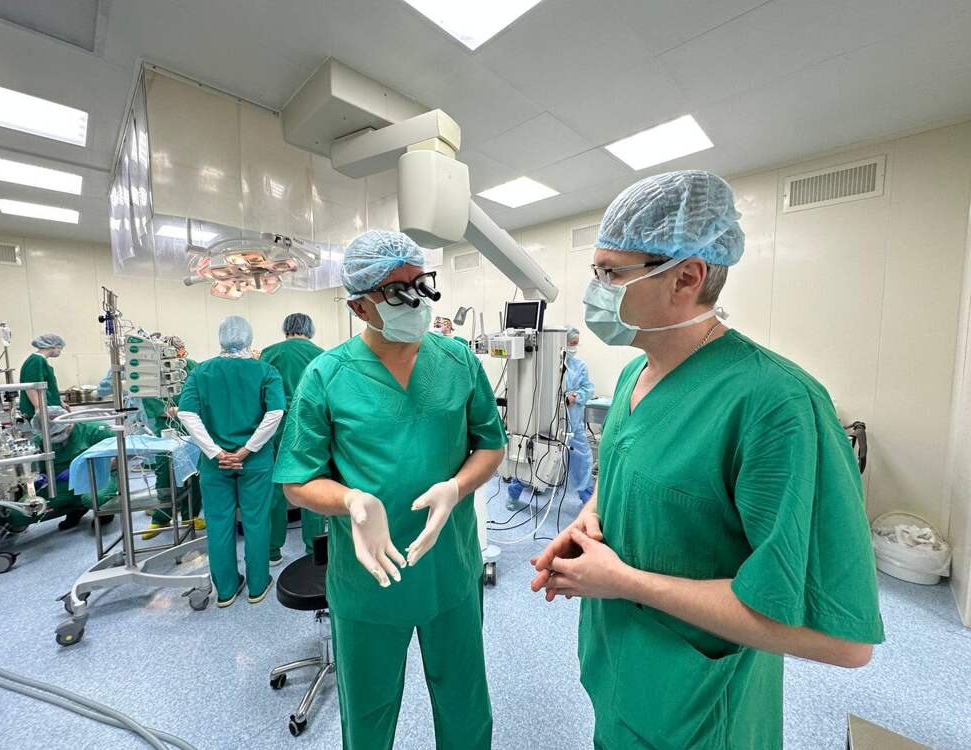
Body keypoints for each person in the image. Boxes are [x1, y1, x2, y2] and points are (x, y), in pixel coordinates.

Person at [531, 170, 884, 750]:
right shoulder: (634, 376)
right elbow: (629, 474)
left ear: (686, 277)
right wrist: (589, 518)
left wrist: (624, 582)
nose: (597, 291)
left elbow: (843, 642)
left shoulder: (776, 404)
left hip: (699, 710)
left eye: (611, 273)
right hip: (619, 676)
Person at [274, 230, 506, 750]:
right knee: (368, 714)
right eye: (396, 292)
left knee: (465, 703)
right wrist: (350, 500)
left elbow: (491, 445)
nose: (416, 301)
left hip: (450, 570)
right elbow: (296, 481)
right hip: (368, 581)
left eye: (420, 284)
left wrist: (457, 486)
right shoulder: (326, 376)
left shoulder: (458, 361)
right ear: (359, 306)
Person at [178, 316, 285, 607]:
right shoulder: (265, 371)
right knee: (256, 521)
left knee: (218, 523)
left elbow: (186, 414)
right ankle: (257, 585)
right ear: (249, 338)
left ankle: (225, 589)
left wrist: (216, 452)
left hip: (216, 466)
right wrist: (247, 450)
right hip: (255, 463)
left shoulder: (201, 372)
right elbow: (275, 413)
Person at [259, 313, 325, 564]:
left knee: (276, 486)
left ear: (285, 328)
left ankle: (273, 551)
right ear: (310, 328)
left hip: (276, 425)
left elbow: (260, 392)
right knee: (312, 483)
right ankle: (314, 549)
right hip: (309, 425)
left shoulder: (270, 353)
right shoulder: (321, 354)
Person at [507, 325, 596, 509]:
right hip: (547, 422)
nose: (574, 347)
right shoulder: (545, 364)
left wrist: (576, 396)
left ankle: (587, 500)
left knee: (582, 460)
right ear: (562, 342)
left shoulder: (579, 366)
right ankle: (514, 493)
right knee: (534, 455)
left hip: (572, 422)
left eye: (576, 343)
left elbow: (588, 388)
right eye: (571, 343)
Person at [1, 407, 116, 532]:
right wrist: (37, 479)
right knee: (18, 515)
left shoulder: (95, 430)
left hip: (99, 476)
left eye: (56, 433)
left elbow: (120, 456)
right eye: (49, 435)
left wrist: (83, 470)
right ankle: (77, 507)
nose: (53, 438)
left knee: (93, 498)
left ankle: (105, 509)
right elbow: (34, 469)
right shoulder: (40, 440)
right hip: (61, 483)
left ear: (68, 424)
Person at [139, 336, 205, 539]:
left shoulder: (190, 366)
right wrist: (186, 411)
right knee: (165, 475)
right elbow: (160, 410)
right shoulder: (151, 375)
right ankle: (161, 518)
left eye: (181, 351)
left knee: (194, 473)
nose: (179, 355)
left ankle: (190, 516)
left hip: (191, 429)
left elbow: (204, 392)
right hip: (166, 432)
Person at [19, 334, 68, 420]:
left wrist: (60, 402)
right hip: (40, 410)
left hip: (48, 407)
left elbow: (48, 385)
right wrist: (39, 408)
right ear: (52, 346)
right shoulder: (36, 360)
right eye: (59, 348)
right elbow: (30, 386)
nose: (60, 351)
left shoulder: (39, 360)